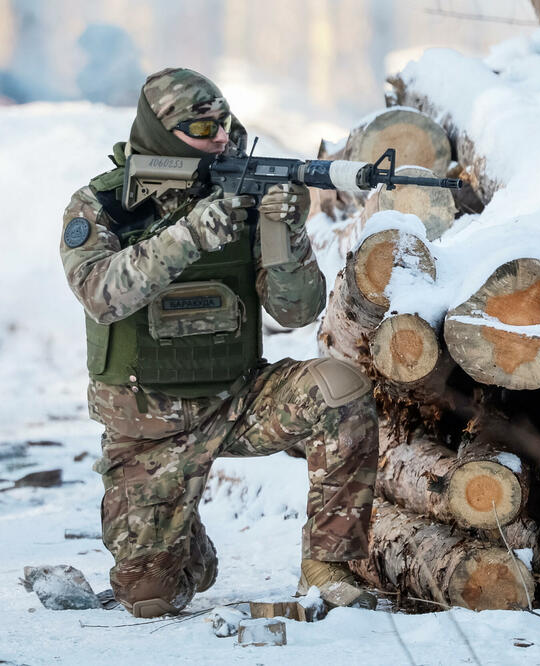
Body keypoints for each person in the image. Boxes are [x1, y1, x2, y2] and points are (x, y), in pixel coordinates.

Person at [59, 67, 378, 618]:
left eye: (226, 125)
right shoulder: (101, 205)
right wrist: (192, 234)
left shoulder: (242, 198)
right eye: (203, 130)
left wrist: (285, 234)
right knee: (153, 596)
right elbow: (101, 293)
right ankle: (184, 540)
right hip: (147, 430)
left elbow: (297, 311)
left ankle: (329, 568)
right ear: (161, 135)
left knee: (339, 389)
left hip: (236, 400)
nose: (222, 140)